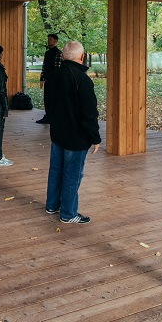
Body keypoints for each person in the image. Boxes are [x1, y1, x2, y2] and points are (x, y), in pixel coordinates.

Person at [44, 40, 100, 224]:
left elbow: (49, 105)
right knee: (72, 174)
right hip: (76, 137)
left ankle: (52, 205)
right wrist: (95, 137)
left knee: (56, 170)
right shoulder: (83, 80)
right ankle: (68, 213)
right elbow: (89, 113)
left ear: (62, 56)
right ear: (82, 57)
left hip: (57, 133)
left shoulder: (53, 77)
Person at [36, 33, 62, 124]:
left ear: (55, 41)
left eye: (50, 39)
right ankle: (48, 116)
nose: (48, 41)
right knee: (47, 99)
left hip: (54, 81)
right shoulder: (47, 53)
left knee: (53, 99)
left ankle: (53, 117)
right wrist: (42, 78)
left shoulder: (58, 53)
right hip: (47, 80)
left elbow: (58, 68)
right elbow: (44, 66)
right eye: (48, 39)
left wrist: (55, 80)